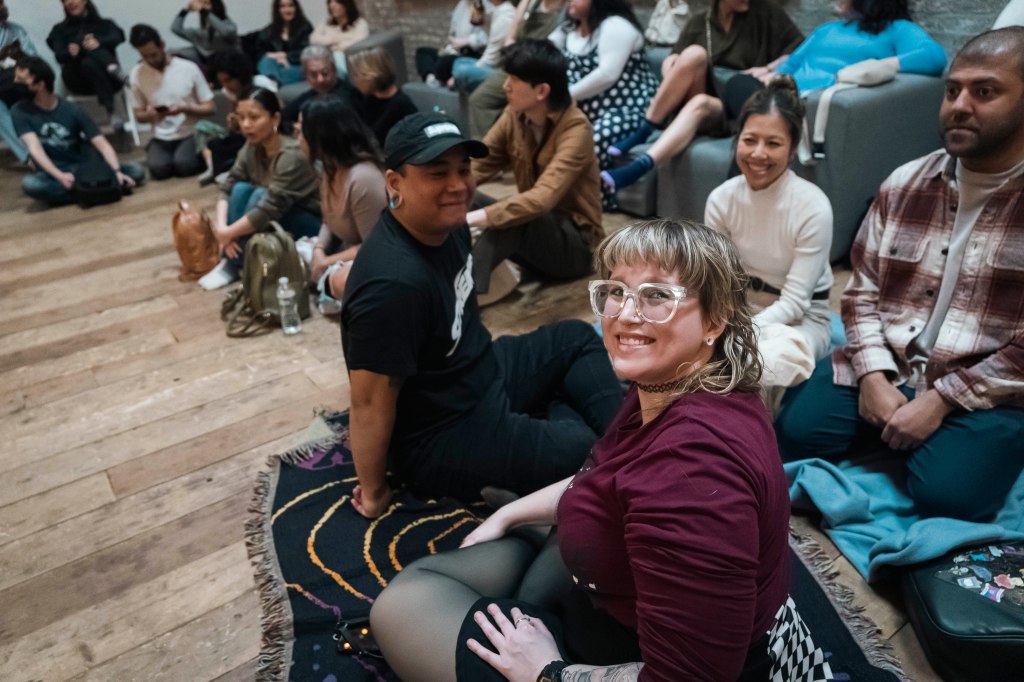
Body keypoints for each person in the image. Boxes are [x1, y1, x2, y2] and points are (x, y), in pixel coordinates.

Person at [371, 219, 826, 682]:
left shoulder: (690, 473)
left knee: (403, 607)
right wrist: (507, 516)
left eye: (657, 296)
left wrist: (547, 672)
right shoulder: (685, 385)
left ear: (714, 321)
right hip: (619, 602)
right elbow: (607, 477)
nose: (626, 313)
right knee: (489, 569)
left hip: (641, 652)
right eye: (617, 291)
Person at [775, 27, 1024, 523]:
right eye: (952, 90)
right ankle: (903, 429)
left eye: (985, 91)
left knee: (949, 496)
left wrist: (940, 402)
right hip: (892, 358)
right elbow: (862, 290)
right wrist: (872, 374)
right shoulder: (905, 182)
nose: (959, 104)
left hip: (985, 386)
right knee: (795, 432)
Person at [340, 111, 623, 518]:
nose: (458, 186)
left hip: (483, 372)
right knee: (579, 448)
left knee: (576, 339)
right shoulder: (392, 286)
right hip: (440, 432)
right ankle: (622, 452)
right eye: (437, 173)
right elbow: (367, 403)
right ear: (394, 184)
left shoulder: (450, 226)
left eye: (463, 169)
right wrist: (373, 493)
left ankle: (628, 446)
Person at [705, 76, 833, 405]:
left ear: (792, 150)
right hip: (738, 309)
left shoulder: (812, 207)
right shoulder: (721, 199)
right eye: (750, 140)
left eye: (773, 144)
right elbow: (717, 283)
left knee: (750, 364)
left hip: (801, 320)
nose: (758, 154)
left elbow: (794, 304)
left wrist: (735, 334)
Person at [601, 0, 803, 191]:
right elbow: (675, 61)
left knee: (700, 103)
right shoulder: (699, 22)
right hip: (706, 93)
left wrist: (770, 68)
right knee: (695, 54)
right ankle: (647, 127)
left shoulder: (767, 13)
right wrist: (671, 62)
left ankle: (640, 164)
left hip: (735, 106)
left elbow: (802, 49)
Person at [468, 39, 603, 296]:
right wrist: (447, 190)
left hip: (577, 249)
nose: (505, 86)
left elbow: (542, 199)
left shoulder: (577, 129)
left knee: (519, 215)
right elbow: (481, 163)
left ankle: (464, 296)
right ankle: (436, 274)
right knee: (463, 194)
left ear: (541, 91)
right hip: (538, 238)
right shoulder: (514, 115)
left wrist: (469, 220)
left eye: (513, 80)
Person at [200, 87, 321, 289]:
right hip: (273, 220)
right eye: (241, 117)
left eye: (254, 117)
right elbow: (228, 186)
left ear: (275, 119)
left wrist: (228, 233)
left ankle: (239, 265)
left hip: (311, 225)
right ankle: (236, 264)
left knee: (260, 194)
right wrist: (222, 229)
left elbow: (270, 207)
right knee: (240, 189)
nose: (246, 125)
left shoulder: (291, 155)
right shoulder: (252, 147)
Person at [548, 0, 658, 207]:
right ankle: (551, 194)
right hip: (583, 108)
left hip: (627, 108)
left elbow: (607, 74)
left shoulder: (616, 25)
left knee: (590, 139)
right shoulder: (568, 28)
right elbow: (544, 54)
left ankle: (589, 200)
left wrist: (562, 98)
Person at [12, 56, 144, 205]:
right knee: (31, 184)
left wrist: (116, 172)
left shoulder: (73, 109)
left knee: (136, 171)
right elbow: (34, 148)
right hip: (53, 171)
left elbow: (101, 142)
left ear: (40, 85)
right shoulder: (20, 111)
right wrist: (60, 176)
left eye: (21, 80)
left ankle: (88, 191)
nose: (15, 83)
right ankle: (100, 189)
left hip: (84, 167)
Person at [300, 96, 387, 308]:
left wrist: (326, 262)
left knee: (342, 282)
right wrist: (319, 249)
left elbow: (377, 246)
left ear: (319, 139)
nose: (297, 136)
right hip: (343, 251)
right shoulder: (331, 167)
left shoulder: (362, 178)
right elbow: (328, 219)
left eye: (300, 130)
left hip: (377, 262)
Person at [128, 24, 215, 180]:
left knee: (185, 165)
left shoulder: (188, 68)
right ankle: (160, 152)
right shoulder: (136, 74)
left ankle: (200, 151)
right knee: (159, 169)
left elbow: (210, 108)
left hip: (191, 131)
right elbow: (138, 114)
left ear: (162, 45)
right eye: (144, 56)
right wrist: (150, 115)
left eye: (154, 54)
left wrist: (186, 109)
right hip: (162, 135)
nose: (150, 60)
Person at [468, 0, 566, 138]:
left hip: (537, 70)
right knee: (479, 98)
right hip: (516, 64)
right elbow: (510, 40)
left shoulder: (566, 9)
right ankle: (483, 152)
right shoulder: (531, 3)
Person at [195, 49, 277, 185]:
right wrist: (234, 121)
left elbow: (277, 111)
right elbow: (235, 116)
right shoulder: (229, 92)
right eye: (222, 83)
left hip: (266, 131)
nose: (226, 86)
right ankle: (217, 169)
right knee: (215, 143)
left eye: (229, 80)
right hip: (245, 132)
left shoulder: (261, 84)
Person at [46, 0, 128, 130]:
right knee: (85, 51)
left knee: (89, 58)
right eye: (65, 1)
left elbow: (119, 36)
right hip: (78, 82)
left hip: (109, 81)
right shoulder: (59, 30)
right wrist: (69, 51)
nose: (70, 3)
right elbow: (59, 56)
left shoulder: (105, 24)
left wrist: (99, 42)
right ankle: (113, 69)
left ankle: (112, 107)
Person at [347, 46, 417, 147]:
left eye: (358, 75)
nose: (355, 80)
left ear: (372, 76)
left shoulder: (402, 105)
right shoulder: (365, 98)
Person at [416, 0, 491, 86]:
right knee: (423, 52)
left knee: (444, 62)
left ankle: (437, 76)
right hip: (456, 50)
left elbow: (489, 36)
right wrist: (451, 45)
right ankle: (431, 77)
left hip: (473, 54)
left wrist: (467, 41)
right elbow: (453, 31)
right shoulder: (461, 5)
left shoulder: (485, 5)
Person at [281, 45, 356, 129]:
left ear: (334, 70)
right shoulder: (307, 99)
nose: (320, 79)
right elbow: (281, 119)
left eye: (325, 73)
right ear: (305, 75)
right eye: (313, 75)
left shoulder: (353, 94)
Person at [451, 0, 517, 93]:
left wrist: (474, 68)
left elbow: (491, 59)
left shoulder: (505, 16)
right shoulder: (497, 10)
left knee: (461, 71)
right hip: (490, 61)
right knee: (459, 62)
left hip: (500, 69)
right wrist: (484, 22)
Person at [1, 0, 37, 165]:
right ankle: (30, 155)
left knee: (35, 83)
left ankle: (55, 147)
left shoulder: (16, 30)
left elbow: (34, 59)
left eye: (1, 2)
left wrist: (18, 56)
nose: (2, 6)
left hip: (18, 81)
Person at [255, 0, 313, 86]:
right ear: (277, 10)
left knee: (304, 71)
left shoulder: (305, 27)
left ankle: (273, 83)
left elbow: (307, 51)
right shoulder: (269, 31)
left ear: (296, 8)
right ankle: (273, 81)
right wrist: (274, 56)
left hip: (296, 66)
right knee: (265, 61)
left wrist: (286, 56)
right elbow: (258, 51)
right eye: (283, 6)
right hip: (277, 66)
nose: (287, 10)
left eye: (291, 6)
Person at [310, 0, 369, 76]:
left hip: (354, 60)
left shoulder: (360, 23)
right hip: (330, 62)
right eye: (330, 2)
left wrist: (334, 47)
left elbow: (359, 43)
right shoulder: (326, 23)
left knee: (337, 55)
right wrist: (335, 39)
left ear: (346, 5)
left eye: (336, 2)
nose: (332, 6)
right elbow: (313, 39)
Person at [171, 0, 239, 66]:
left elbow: (225, 32)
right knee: (174, 53)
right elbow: (176, 29)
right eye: (202, 4)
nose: (202, 6)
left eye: (206, 3)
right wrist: (184, 11)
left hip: (230, 65)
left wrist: (203, 10)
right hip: (207, 66)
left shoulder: (229, 25)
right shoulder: (200, 33)